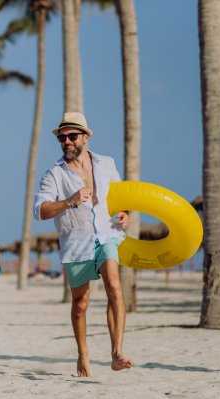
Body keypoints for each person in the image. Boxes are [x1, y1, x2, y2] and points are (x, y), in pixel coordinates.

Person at [33, 112, 132, 377]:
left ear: (85, 137)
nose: (66, 141)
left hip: (106, 235)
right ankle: (83, 351)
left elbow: (121, 196)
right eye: (62, 137)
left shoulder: (106, 163)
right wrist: (70, 200)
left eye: (71, 136)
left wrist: (125, 214)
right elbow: (39, 210)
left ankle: (116, 353)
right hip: (76, 245)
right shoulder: (54, 174)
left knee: (114, 284)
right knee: (80, 304)